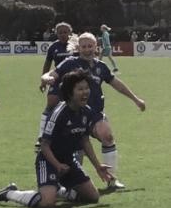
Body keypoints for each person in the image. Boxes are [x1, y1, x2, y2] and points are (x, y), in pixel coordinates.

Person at [0, 69, 114, 207]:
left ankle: (60, 191)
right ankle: (10, 193)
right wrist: (57, 165)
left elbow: (84, 140)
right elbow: (44, 145)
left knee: (92, 197)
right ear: (69, 93)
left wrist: (97, 166)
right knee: (47, 203)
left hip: (68, 161)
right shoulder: (58, 113)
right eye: (80, 89)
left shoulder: (86, 111)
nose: (85, 92)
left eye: (86, 88)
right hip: (48, 161)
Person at [42, 32, 146, 189]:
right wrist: (46, 78)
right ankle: (69, 185)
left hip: (94, 114)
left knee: (107, 136)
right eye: (83, 46)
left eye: (90, 46)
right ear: (78, 48)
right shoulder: (70, 63)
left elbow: (117, 84)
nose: (87, 49)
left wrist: (136, 99)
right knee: (76, 152)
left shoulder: (101, 67)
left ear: (96, 47)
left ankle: (112, 180)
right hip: (73, 114)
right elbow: (51, 74)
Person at [36, 22, 75, 142]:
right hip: (57, 80)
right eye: (60, 32)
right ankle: (42, 135)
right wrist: (43, 81)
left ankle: (74, 135)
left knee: (73, 108)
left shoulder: (74, 46)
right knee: (51, 105)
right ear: (56, 33)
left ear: (70, 32)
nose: (63, 34)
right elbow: (47, 64)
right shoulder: (53, 47)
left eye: (65, 32)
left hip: (74, 82)